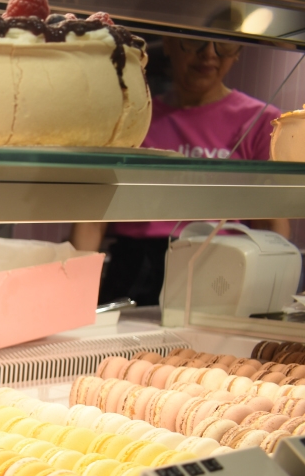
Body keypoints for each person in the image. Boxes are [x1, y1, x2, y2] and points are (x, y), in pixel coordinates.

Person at [71, 36, 290, 305]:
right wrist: (74, 292)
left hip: (223, 267)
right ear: (169, 43)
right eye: (194, 41)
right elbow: (93, 217)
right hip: (136, 268)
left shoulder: (262, 119)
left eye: (225, 44)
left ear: (239, 52)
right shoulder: (133, 116)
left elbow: (270, 223)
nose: (209, 54)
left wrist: (273, 295)